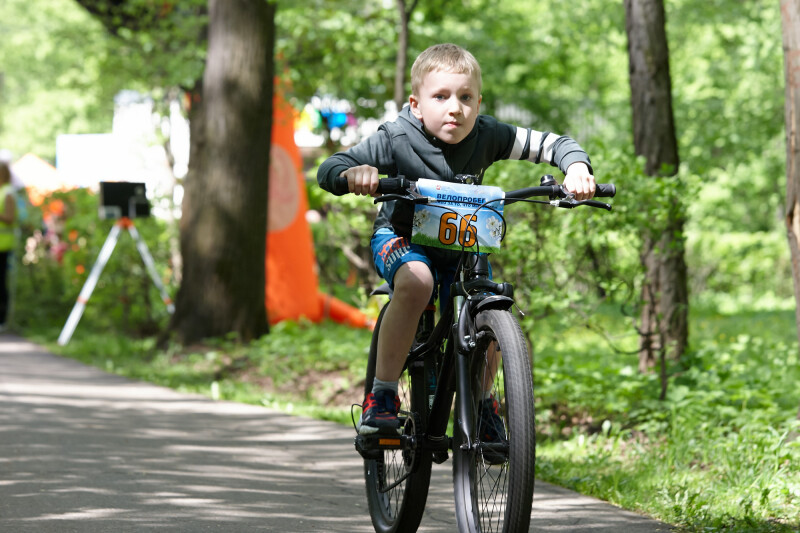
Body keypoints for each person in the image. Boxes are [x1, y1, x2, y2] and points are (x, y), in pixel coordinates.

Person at [317, 43, 596, 435]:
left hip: (463, 248)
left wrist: (577, 168)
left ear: (478, 103)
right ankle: (380, 397)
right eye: (441, 96)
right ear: (416, 104)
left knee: (492, 300)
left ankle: (483, 404)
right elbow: (332, 167)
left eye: (466, 98)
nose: (455, 108)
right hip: (399, 238)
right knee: (418, 283)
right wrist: (355, 173)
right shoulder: (396, 137)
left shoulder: (487, 135)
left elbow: (553, 144)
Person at [0, 161, 16, 330]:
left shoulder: (7, 193)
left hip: (3, 245)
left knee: (1, 282)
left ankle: (2, 319)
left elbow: (10, 218)